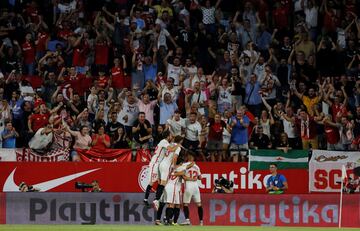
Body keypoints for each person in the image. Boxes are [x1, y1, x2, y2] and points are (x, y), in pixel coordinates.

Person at [153, 136, 183, 211]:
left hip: (162, 163)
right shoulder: (178, 147)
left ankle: (158, 198)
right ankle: (156, 200)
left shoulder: (170, 144)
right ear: (180, 141)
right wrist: (174, 166)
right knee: (163, 184)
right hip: (167, 166)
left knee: (161, 183)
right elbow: (175, 157)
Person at [181, 152, 203, 226]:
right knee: (199, 204)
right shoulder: (197, 166)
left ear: (188, 157)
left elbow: (183, 177)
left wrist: (190, 179)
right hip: (196, 187)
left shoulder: (184, 165)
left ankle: (187, 220)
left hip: (189, 186)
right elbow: (200, 178)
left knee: (185, 204)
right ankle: (201, 222)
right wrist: (195, 178)